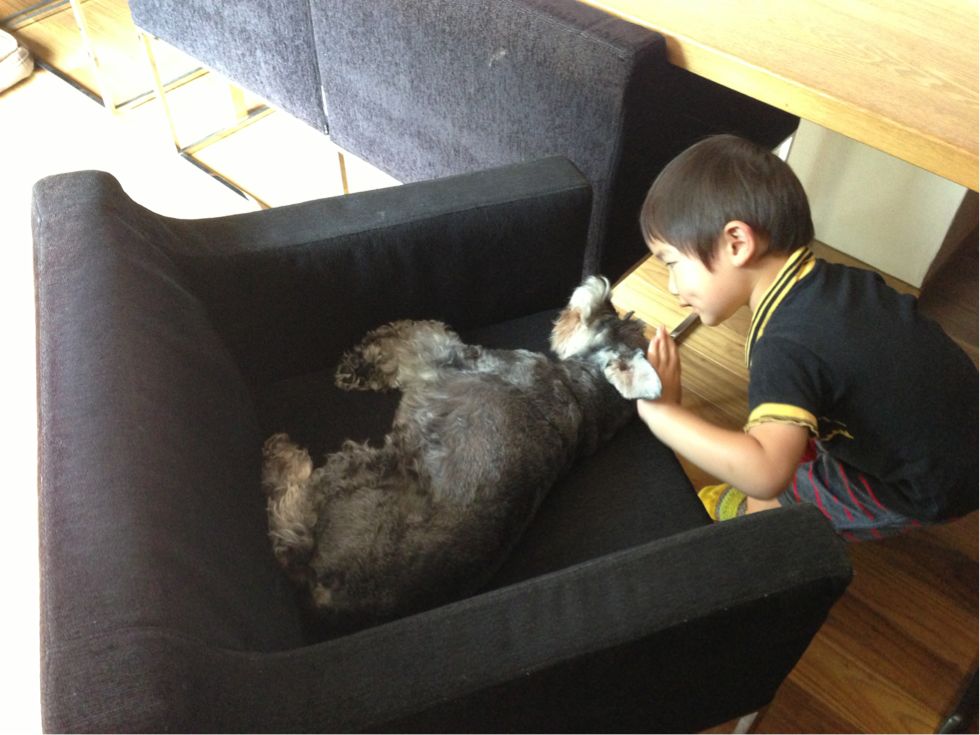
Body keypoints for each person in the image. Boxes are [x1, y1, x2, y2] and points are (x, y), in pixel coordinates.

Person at [636, 134, 978, 541]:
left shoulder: (784, 346)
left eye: (672, 263)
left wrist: (663, 415)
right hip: (962, 426)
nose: (672, 286)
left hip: (928, 484)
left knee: (776, 500)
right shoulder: (836, 281)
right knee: (785, 428)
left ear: (737, 243)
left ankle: (752, 526)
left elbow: (766, 475)